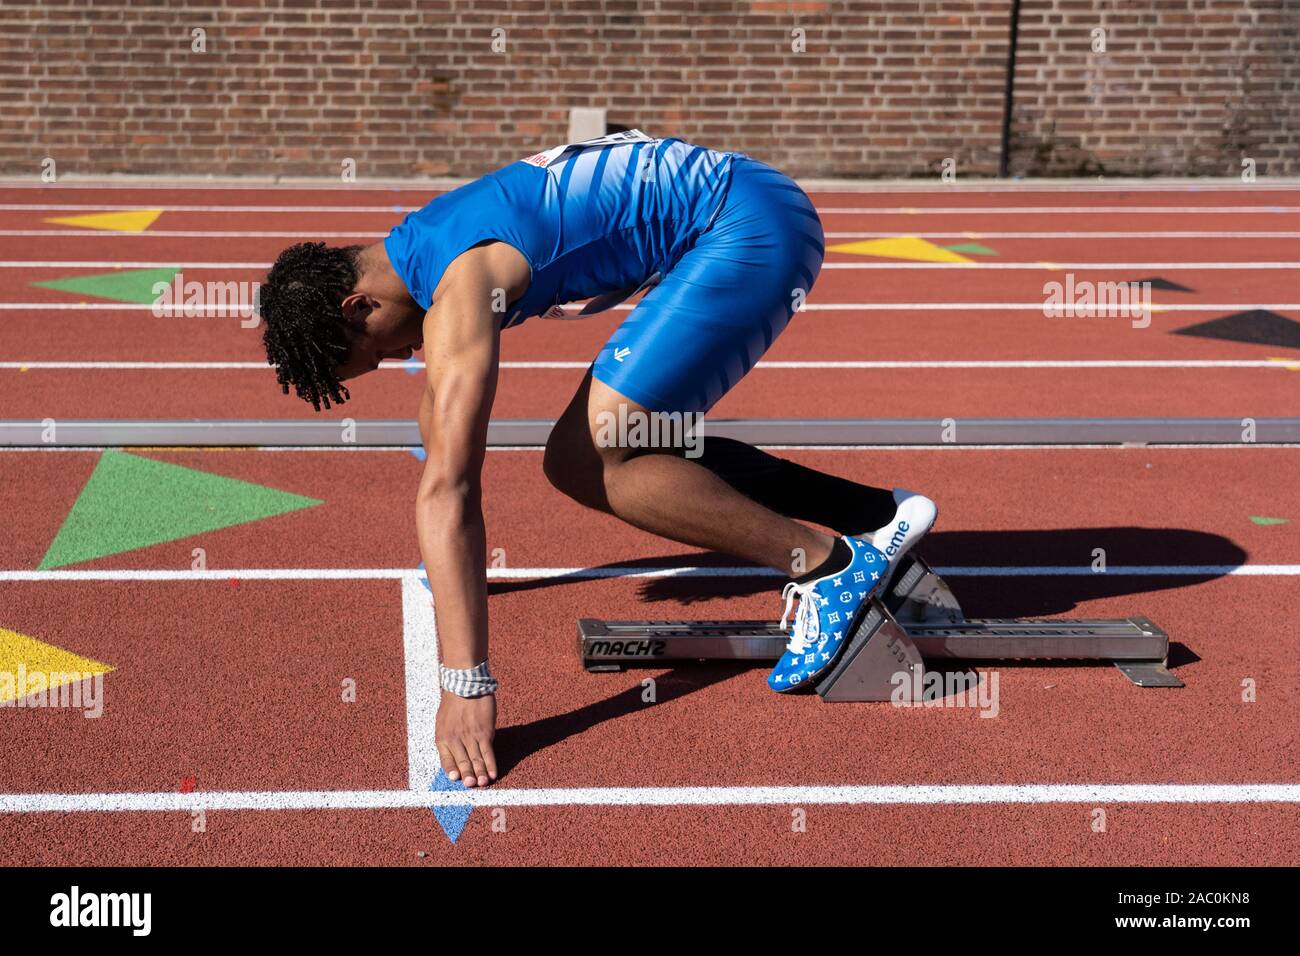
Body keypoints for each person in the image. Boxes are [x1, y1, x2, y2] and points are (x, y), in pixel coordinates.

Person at [257, 131, 936, 788]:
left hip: (747, 224)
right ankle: (875, 517)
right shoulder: (417, 248)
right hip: (745, 203)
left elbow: (450, 491)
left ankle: (829, 566)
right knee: (637, 441)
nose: (399, 359)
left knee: (588, 456)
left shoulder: (461, 284)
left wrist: (466, 681)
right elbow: (437, 440)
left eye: (378, 351)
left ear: (357, 305)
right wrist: (449, 563)